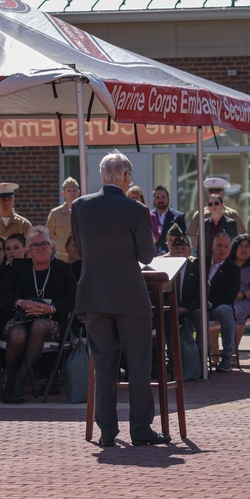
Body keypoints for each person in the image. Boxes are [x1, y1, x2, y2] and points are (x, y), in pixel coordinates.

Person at [73, 151, 167, 447]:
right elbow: (147, 255)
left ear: (102, 176)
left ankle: (107, 431)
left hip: (94, 294)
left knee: (103, 366)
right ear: (126, 177)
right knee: (138, 364)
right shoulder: (136, 209)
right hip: (130, 296)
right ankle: (140, 429)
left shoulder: (79, 206)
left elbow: (79, 248)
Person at [0, 226, 75, 403]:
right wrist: (21, 303)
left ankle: (19, 381)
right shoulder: (18, 267)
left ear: (52, 246)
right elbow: (3, 294)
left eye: (44, 244)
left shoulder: (63, 269)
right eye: (35, 245)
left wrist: (51, 309)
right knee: (17, 334)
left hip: (51, 322)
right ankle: (10, 379)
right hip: (20, 317)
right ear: (28, 250)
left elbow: (72, 299)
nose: (40, 248)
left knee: (39, 326)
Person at [179, 233, 239, 371]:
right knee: (200, 314)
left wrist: (210, 303)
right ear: (213, 246)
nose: (222, 249)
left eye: (226, 246)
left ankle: (227, 357)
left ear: (230, 249)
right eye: (219, 245)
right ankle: (199, 357)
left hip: (215, 307)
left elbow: (230, 296)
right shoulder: (199, 263)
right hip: (195, 306)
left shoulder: (233, 269)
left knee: (226, 310)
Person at [190, 177, 246, 247]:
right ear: (207, 194)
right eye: (211, 192)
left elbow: (240, 236)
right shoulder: (200, 214)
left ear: (223, 193)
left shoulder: (232, 214)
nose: (214, 194)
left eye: (217, 192)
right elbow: (193, 237)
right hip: (206, 254)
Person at [46, 177, 80, 262]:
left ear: (78, 192)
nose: (72, 193)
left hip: (79, 256)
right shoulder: (55, 213)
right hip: (61, 257)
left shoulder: (84, 211)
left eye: (74, 190)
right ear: (63, 193)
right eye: (69, 191)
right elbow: (48, 234)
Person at [151, 185, 186, 256]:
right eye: (157, 197)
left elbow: (182, 240)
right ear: (154, 199)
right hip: (152, 258)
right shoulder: (148, 216)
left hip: (171, 258)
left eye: (163, 197)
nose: (160, 200)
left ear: (168, 198)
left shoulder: (178, 217)